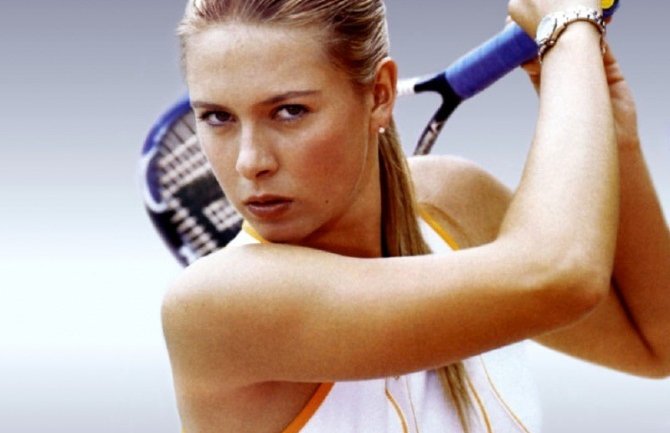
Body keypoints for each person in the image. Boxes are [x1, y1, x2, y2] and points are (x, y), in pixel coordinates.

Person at [161, 0, 670, 432]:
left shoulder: (454, 202)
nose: (250, 161)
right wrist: (568, 32)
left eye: (289, 111)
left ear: (379, 95)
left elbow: (656, 343)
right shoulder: (217, 305)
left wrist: (611, 127)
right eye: (217, 117)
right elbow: (561, 274)